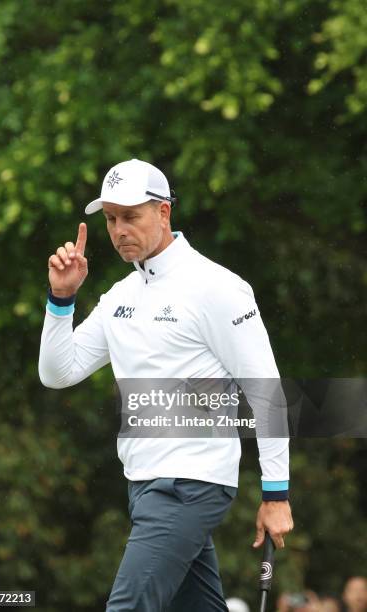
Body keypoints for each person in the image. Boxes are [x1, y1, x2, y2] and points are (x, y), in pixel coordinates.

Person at [39, 158, 294, 611]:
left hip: (191, 485)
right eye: (111, 219)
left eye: (131, 216)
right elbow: (59, 372)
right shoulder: (122, 295)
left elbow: (265, 390)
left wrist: (276, 494)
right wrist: (62, 300)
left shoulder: (217, 288)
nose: (119, 230)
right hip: (142, 485)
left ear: (163, 213)